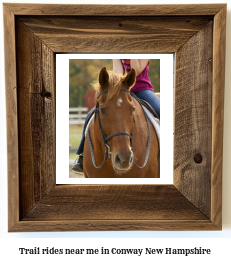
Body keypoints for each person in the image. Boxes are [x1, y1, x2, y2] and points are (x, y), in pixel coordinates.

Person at [72, 59, 160, 172]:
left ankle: (169, 152)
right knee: (91, 114)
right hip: (121, 89)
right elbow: (117, 71)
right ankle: (82, 154)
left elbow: (135, 71)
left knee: (161, 111)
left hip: (142, 90)